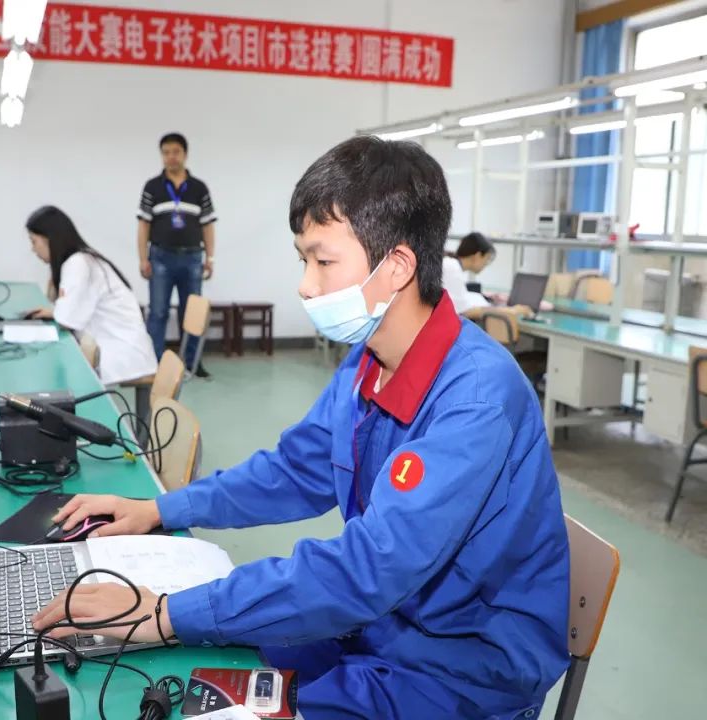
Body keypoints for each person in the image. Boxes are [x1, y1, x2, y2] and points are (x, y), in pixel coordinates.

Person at [34, 138, 570, 719]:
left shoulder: (476, 398)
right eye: (303, 261)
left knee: (199, 682)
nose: (307, 285)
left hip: (461, 671)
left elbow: (368, 569)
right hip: (380, 626)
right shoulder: (370, 363)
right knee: (187, 679)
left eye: (323, 261)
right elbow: (294, 471)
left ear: (396, 266)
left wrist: (163, 614)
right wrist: (159, 510)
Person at [24, 206, 157, 386]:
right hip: (119, 347)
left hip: (123, 353)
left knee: (56, 377)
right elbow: (66, 307)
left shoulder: (78, 264)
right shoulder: (79, 260)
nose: (33, 249)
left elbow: (67, 320)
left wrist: (57, 312)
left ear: (49, 239)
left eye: (34, 241)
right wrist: (54, 310)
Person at [137, 132, 216, 378]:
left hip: (192, 258)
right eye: (166, 152)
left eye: (176, 152)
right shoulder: (152, 187)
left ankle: (192, 363)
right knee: (158, 312)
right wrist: (143, 258)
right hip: (160, 258)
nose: (171, 157)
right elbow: (143, 225)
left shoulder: (199, 188)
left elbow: (207, 225)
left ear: (185, 154)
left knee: (191, 314)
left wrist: (210, 258)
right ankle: (154, 363)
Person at [443, 232, 495, 314]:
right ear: (477, 256)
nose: (486, 264)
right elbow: (462, 311)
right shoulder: (452, 268)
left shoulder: (452, 264)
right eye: (487, 259)